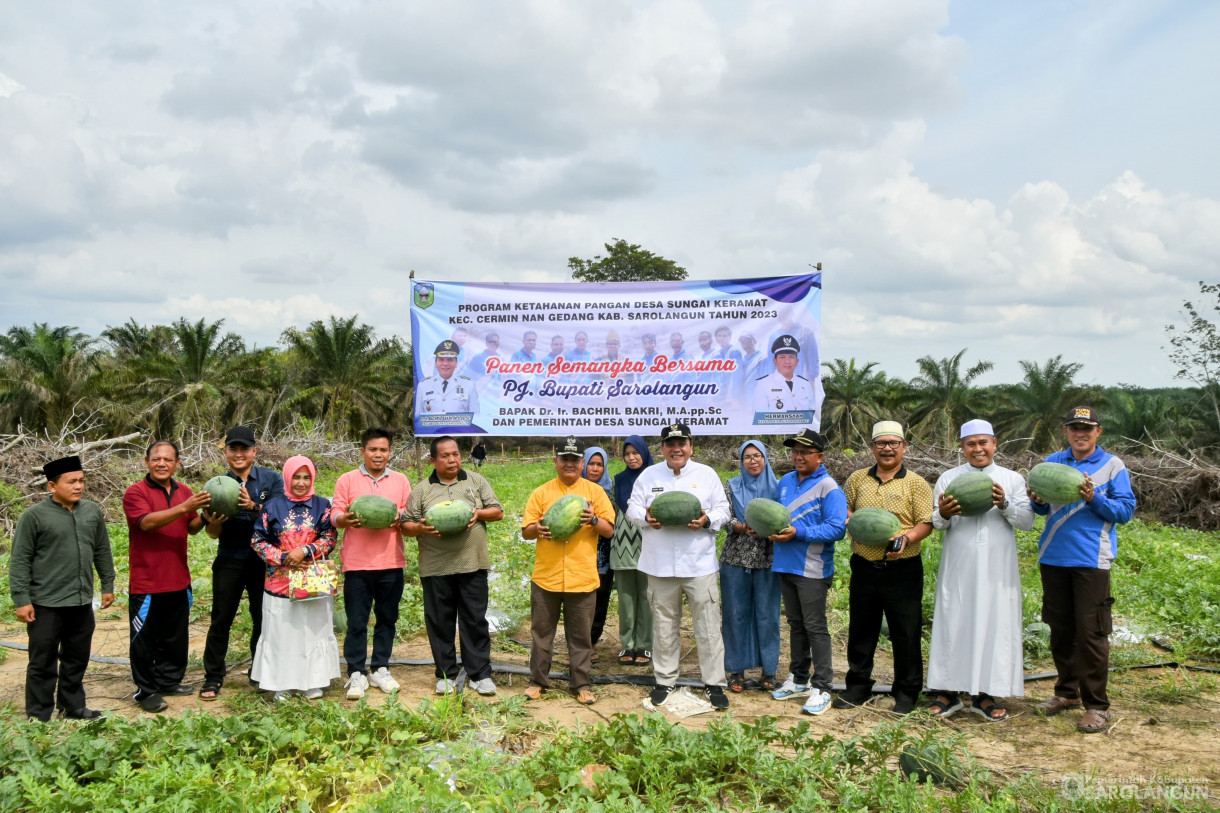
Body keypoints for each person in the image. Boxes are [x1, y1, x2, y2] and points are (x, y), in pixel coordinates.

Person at [1029, 407, 1136, 734]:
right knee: (1060, 629)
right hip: (1054, 557)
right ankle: (1066, 693)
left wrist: (1093, 497)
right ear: (1067, 431)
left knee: (1091, 634)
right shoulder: (1052, 463)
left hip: (1092, 559)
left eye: (1087, 428)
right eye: (1075, 427)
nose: (1081, 433)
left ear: (1098, 431)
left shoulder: (1113, 466)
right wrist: (1036, 500)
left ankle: (1096, 706)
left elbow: (1125, 510)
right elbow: (1042, 506)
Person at [927, 420, 1035, 721]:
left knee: (993, 622)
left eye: (983, 442)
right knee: (955, 620)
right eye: (971, 444)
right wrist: (944, 514)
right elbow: (937, 522)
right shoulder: (949, 478)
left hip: (997, 569)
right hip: (959, 565)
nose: (978, 449)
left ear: (995, 444)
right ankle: (948, 692)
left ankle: (984, 694)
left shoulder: (1011, 479)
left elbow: (1026, 522)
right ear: (962, 447)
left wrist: (1004, 504)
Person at [628, 422, 732, 710]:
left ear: (690, 447)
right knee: (663, 627)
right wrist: (646, 517)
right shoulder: (648, 476)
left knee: (708, 626)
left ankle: (714, 684)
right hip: (659, 565)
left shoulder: (707, 474)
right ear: (662, 449)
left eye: (682, 443)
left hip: (699, 565)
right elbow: (632, 508)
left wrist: (707, 520)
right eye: (670, 444)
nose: (677, 449)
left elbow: (723, 509)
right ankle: (664, 681)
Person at [837, 421, 934, 714]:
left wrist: (906, 538)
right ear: (872, 448)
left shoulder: (916, 482)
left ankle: (906, 693)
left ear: (904, 447)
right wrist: (851, 520)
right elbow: (845, 506)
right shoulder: (856, 479)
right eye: (881, 443)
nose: (887, 448)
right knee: (861, 629)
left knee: (905, 630)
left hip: (903, 569)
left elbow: (926, 522)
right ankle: (857, 687)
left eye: (893, 443)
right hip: (864, 566)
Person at [11, 455, 115, 721]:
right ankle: (39, 714)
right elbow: (21, 560)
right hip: (46, 603)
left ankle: (72, 707)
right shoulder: (34, 517)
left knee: (76, 658)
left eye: (81, 480)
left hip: (80, 601)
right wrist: (22, 599)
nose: (78, 486)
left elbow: (102, 550)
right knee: (42, 661)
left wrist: (107, 584)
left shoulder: (91, 511)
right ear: (52, 486)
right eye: (71, 481)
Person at [401, 436, 504, 696]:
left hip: (472, 564)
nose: (452, 460)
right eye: (445, 456)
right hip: (436, 567)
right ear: (433, 460)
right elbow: (406, 525)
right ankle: (445, 673)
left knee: (474, 620)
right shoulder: (422, 489)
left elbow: (497, 511)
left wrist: (478, 513)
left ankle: (480, 673)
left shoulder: (476, 481)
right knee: (440, 622)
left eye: (456, 454)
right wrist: (421, 527)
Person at [521, 437, 616, 705]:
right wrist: (536, 529)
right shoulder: (541, 493)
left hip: (582, 577)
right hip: (546, 576)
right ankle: (538, 681)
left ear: (582, 463)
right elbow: (526, 531)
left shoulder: (595, 493)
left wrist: (594, 520)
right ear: (556, 462)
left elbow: (609, 529)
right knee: (541, 634)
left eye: (575, 459)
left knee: (581, 637)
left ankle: (581, 683)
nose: (570, 464)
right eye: (565, 459)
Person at [123, 440, 210, 713]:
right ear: (146, 462)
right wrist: (186, 507)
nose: (162, 463)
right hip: (147, 582)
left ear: (177, 463)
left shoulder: (184, 491)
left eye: (168, 459)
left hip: (178, 580)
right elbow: (147, 523)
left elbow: (192, 527)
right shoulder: (135, 492)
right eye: (156, 459)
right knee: (144, 641)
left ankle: (169, 681)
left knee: (175, 637)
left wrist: (209, 517)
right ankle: (145, 691)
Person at [199, 426, 284, 701]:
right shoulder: (217, 486)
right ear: (226, 453)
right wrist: (212, 524)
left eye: (244, 449)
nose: (238, 454)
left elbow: (281, 521)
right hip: (230, 560)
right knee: (221, 619)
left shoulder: (272, 480)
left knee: (262, 619)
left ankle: (258, 673)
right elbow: (212, 533)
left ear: (254, 452)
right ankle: (213, 677)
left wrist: (252, 507)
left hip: (264, 562)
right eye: (233, 449)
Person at [769, 430, 848, 716]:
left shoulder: (829, 487)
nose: (798, 456)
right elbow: (776, 517)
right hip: (785, 564)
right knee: (796, 624)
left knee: (815, 626)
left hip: (812, 568)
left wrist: (798, 533)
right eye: (794, 451)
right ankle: (799, 678)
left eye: (805, 451)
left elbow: (837, 528)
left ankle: (823, 686)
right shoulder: (786, 482)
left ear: (820, 456)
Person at [249, 456, 340, 700]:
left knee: (313, 629)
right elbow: (258, 540)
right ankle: (282, 683)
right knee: (282, 633)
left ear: (312, 478)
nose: (301, 482)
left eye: (306, 477)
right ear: (287, 477)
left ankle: (313, 680)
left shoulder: (323, 505)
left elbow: (330, 537)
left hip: (313, 578)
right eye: (296, 477)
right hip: (280, 580)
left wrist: (307, 551)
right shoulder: (272, 507)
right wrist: (282, 557)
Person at [331, 428, 412, 700]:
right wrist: (345, 519)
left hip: (391, 562)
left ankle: (380, 668)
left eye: (384, 450)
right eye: (373, 449)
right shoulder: (347, 479)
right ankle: (356, 672)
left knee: (387, 619)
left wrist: (397, 515)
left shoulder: (400, 480)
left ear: (389, 452)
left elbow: (408, 512)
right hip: (357, 564)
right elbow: (335, 514)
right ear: (363, 451)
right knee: (356, 621)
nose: (379, 455)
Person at [720, 440, 781, 695]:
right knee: (735, 615)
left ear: (766, 459)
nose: (753, 461)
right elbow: (726, 518)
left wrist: (772, 528)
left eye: (758, 456)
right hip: (736, 558)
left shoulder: (779, 488)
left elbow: (784, 517)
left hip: (769, 558)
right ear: (741, 461)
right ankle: (736, 669)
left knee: (768, 615)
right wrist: (743, 527)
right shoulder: (731, 486)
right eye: (747, 457)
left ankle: (769, 669)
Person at [611, 436, 653, 666]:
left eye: (635, 452)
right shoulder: (618, 481)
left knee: (647, 598)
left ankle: (645, 645)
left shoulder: (656, 478)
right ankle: (627, 645)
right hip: (623, 545)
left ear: (644, 453)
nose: (631, 457)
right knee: (626, 599)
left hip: (650, 543)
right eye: (627, 454)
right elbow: (611, 512)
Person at [582, 446, 615, 660]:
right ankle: (577, 645)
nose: (595, 469)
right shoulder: (573, 489)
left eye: (599, 465)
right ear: (583, 465)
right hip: (579, 554)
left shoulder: (610, 491)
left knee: (599, 599)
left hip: (603, 554)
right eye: (591, 464)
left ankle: (592, 643)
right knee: (578, 600)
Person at [753, 335, 818, 419]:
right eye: (782, 357)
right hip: (777, 432)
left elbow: (812, 413)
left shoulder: (805, 384)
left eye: (791, 357)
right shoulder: (763, 384)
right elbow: (760, 418)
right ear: (775, 361)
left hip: (803, 431)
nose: (787, 361)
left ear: (797, 361)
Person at [417, 339, 479, 415]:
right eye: (441, 360)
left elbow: (476, 417)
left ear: (456, 363)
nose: (445, 364)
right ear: (436, 363)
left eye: (450, 360)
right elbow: (418, 417)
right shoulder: (424, 385)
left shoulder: (469, 385)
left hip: (460, 427)